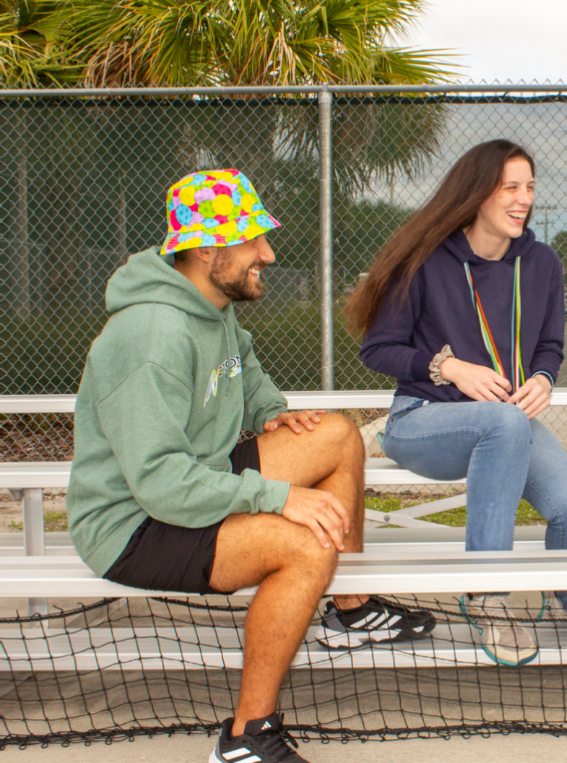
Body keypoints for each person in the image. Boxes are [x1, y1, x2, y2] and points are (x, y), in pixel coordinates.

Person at [67, 170, 435, 763]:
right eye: (253, 240)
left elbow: (250, 381)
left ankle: (352, 609)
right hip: (134, 522)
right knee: (306, 546)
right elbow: (160, 483)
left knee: (336, 435)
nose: (267, 252)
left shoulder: (214, 311)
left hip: (197, 473)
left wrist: (272, 415)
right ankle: (246, 738)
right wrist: (279, 497)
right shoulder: (151, 334)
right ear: (209, 250)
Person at [347, 139, 567, 667]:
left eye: (529, 187)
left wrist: (545, 379)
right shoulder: (426, 260)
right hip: (420, 420)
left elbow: (550, 345)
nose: (524, 198)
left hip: (505, 424)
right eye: (511, 186)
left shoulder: (542, 263)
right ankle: (489, 592)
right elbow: (378, 349)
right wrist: (449, 367)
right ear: (477, 192)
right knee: (504, 424)